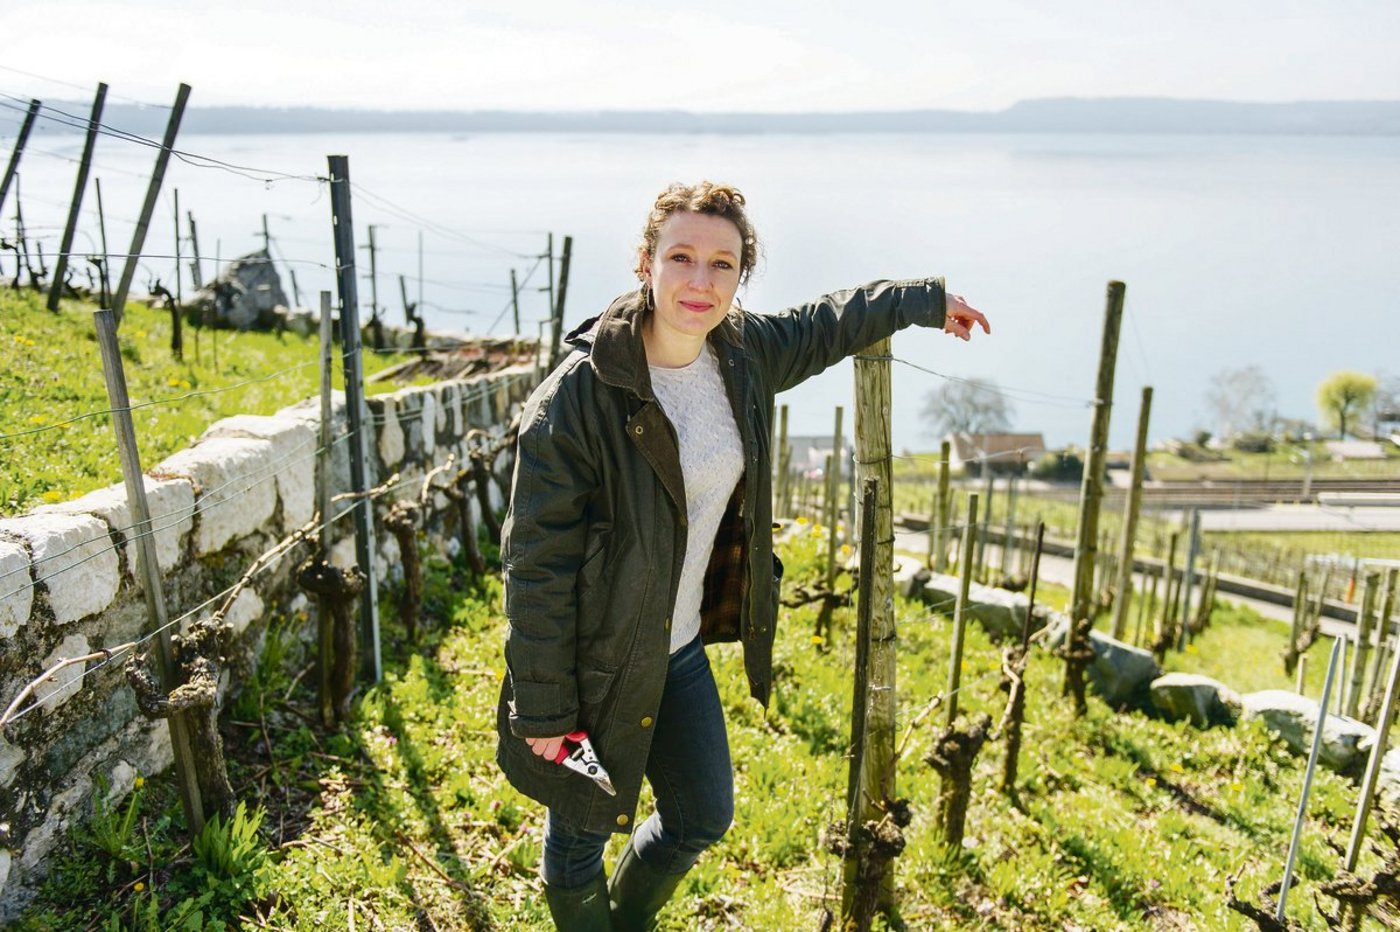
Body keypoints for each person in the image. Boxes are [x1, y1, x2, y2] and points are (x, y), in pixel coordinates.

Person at [496, 181, 990, 931]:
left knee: (701, 815)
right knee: (579, 841)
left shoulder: (743, 354)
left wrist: (924, 300)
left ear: (741, 275)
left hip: (681, 653)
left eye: (723, 264)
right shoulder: (580, 398)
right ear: (646, 262)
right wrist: (542, 705)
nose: (701, 282)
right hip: (590, 668)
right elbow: (534, 564)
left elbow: (827, 322)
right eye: (682, 258)